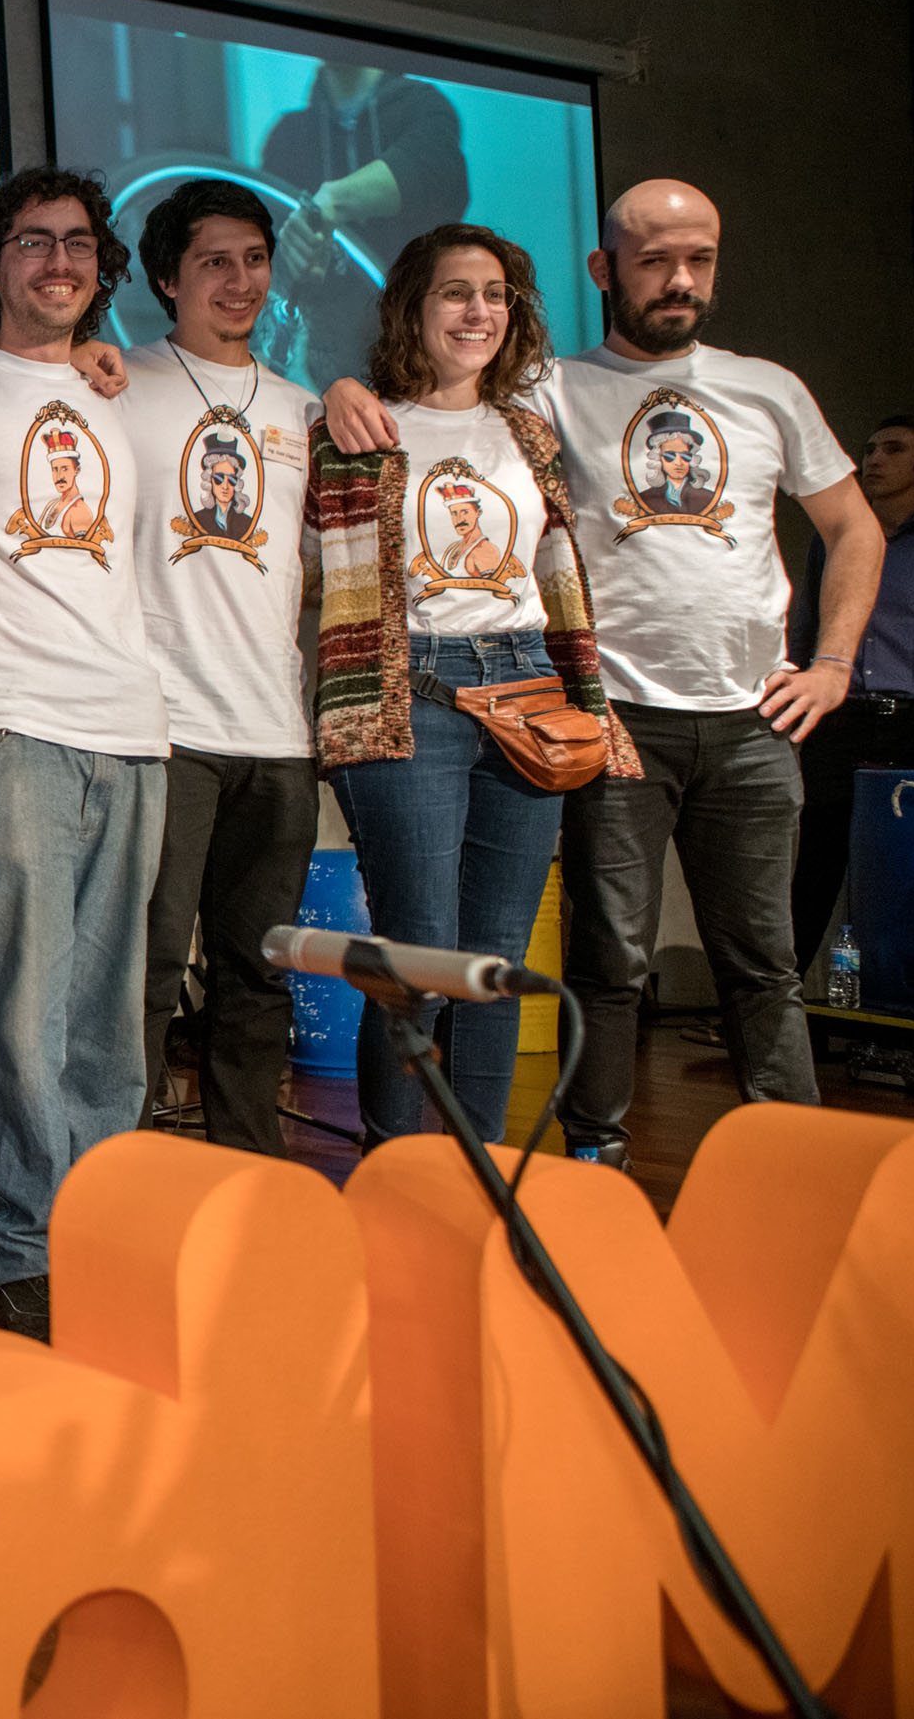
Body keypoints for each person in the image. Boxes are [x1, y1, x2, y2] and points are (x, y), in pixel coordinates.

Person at [324, 181, 882, 1167]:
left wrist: (834, 662)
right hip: (547, 705)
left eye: (699, 258)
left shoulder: (734, 392)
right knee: (541, 955)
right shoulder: (532, 395)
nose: (680, 279)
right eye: (655, 259)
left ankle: (774, 1170)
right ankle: (531, 1164)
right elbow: (392, 437)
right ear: (606, 269)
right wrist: (338, 387)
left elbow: (852, 527)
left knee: (734, 962)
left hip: (689, 711)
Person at [307, 223, 636, 1147]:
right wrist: (335, 390)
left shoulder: (528, 430)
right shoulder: (358, 426)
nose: (478, 311)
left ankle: (482, 1169)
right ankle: (395, 1166)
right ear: (412, 307)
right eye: (456, 291)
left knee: (496, 959)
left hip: (528, 684)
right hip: (411, 693)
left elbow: (555, 568)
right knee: (416, 951)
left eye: (495, 294)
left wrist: (581, 693)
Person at [0, 167, 171, 1342]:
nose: (59, 261)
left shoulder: (121, 391)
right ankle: (28, 1249)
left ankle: (104, 1236)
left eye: (78, 243)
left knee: (109, 1018)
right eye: (32, 242)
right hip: (2, 720)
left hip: (129, 725)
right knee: (23, 1014)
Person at [112, 179, 320, 1156]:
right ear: (167, 277)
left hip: (278, 732)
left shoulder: (304, 409)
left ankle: (253, 1172)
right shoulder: (119, 384)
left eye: (254, 259)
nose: (240, 281)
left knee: (258, 971)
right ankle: (129, 1165)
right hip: (164, 727)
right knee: (150, 968)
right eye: (213, 262)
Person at [792, 411, 914, 972]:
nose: (875, 460)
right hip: (843, 718)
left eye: (894, 449)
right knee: (816, 860)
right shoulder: (835, 540)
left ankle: (895, 993)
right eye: (869, 449)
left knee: (900, 862)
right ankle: (781, 999)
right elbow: (809, 624)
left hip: (908, 718)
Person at [259, 64, 468, 383]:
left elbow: (432, 169)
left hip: (417, 354)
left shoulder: (423, 107)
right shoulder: (288, 136)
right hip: (321, 369)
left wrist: (330, 202)